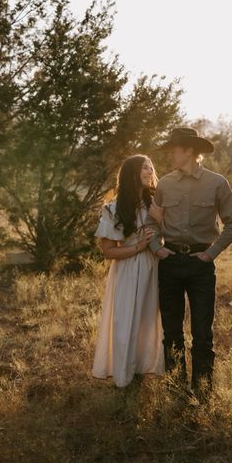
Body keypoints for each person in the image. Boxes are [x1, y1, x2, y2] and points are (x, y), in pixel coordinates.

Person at [146, 127, 232, 401]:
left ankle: (203, 395)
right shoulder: (165, 183)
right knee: (171, 333)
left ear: (189, 151)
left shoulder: (217, 183)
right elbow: (152, 221)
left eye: (174, 150)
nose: (171, 156)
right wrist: (156, 248)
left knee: (202, 334)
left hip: (201, 266)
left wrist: (211, 253)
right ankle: (176, 394)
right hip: (171, 263)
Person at [92, 155, 165, 387]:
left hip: (154, 268)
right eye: (145, 167)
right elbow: (108, 251)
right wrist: (138, 247)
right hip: (128, 268)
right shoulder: (113, 209)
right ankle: (123, 378)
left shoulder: (156, 205)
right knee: (126, 322)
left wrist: (162, 221)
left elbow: (172, 235)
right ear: (132, 173)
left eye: (152, 167)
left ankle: (143, 371)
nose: (150, 171)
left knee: (148, 321)